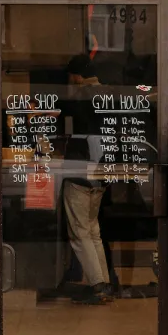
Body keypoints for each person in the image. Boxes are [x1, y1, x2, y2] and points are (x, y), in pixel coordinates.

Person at [61, 55, 113, 305]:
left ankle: (98, 285)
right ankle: (103, 281)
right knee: (93, 231)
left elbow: (60, 122)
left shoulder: (78, 96)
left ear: (77, 76)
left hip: (80, 173)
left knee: (80, 232)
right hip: (102, 173)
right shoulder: (109, 95)